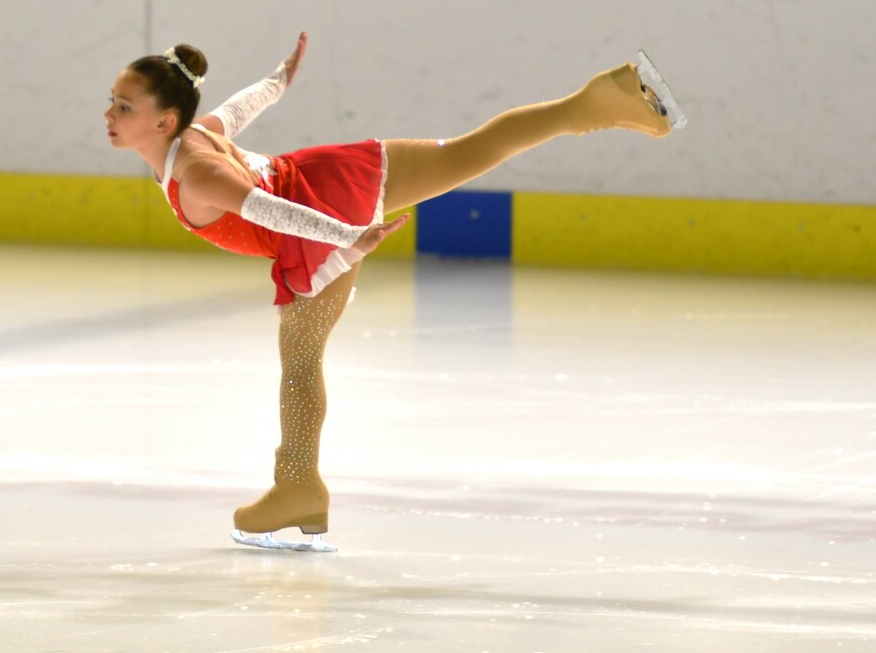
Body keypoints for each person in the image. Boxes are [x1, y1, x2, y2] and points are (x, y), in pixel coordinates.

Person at [105, 34, 686, 551]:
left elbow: (270, 212)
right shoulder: (195, 135)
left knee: (301, 359)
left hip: (317, 220)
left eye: (125, 106)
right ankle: (596, 102)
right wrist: (278, 81)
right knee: (466, 151)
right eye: (114, 100)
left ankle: (297, 486)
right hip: (335, 173)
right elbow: (238, 109)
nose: (109, 113)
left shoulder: (197, 172)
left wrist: (348, 238)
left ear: (164, 122)